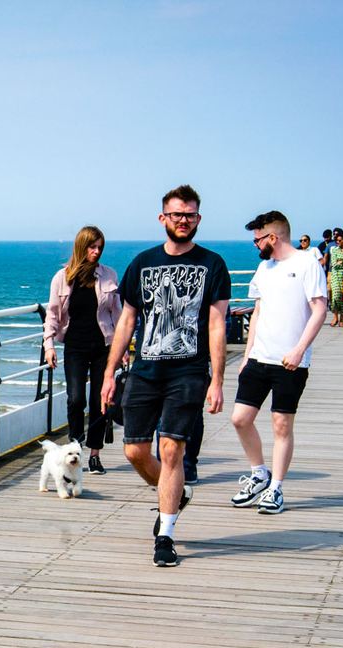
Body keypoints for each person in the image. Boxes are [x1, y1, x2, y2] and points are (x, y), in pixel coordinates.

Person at [99, 184, 231, 567]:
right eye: (177, 214)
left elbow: (218, 324)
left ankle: (166, 533)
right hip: (144, 369)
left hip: (188, 370)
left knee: (172, 448)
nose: (183, 221)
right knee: (134, 450)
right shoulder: (142, 263)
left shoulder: (212, 264)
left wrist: (218, 379)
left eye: (190, 215)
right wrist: (110, 372)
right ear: (163, 218)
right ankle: (175, 495)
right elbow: (126, 321)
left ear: (198, 219)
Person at [230, 211, 328, 516]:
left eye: (258, 239)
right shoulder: (264, 267)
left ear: (273, 237)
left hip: (291, 362)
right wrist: (246, 355)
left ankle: (276, 488)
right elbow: (258, 312)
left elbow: (319, 309)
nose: (255, 245)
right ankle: (260, 473)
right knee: (240, 418)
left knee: (281, 424)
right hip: (260, 357)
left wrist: (300, 350)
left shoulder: (307, 263)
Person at [42, 225, 122, 474]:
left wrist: (124, 347)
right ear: (81, 246)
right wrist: (49, 345)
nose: (97, 252)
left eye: (100, 247)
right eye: (92, 247)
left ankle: (95, 455)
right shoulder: (62, 277)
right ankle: (76, 448)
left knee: (101, 400)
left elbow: (118, 314)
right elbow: (52, 315)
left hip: (103, 346)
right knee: (76, 399)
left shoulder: (109, 276)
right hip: (75, 346)